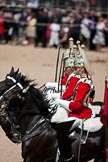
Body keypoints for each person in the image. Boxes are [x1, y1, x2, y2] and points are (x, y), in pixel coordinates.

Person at [51, 41, 94, 161]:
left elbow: (76, 105)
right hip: (77, 111)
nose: (77, 69)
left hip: (81, 114)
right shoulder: (81, 81)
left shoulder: (84, 84)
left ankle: (66, 156)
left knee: (61, 130)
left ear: (83, 69)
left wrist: (59, 101)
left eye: (79, 67)